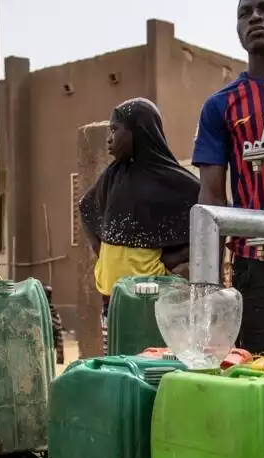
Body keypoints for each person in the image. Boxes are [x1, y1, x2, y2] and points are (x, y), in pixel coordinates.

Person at [192, 0, 264, 355]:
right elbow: (211, 199)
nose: (256, 17)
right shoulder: (221, 105)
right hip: (256, 263)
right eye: (245, 12)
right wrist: (208, 288)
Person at [79, 97, 198, 353]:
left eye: (115, 129)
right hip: (111, 297)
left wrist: (169, 261)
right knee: (117, 358)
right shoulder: (113, 176)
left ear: (140, 131)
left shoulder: (170, 179)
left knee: (149, 358)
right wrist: (102, 254)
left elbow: (205, 218)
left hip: (150, 298)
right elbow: (86, 208)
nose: (109, 138)